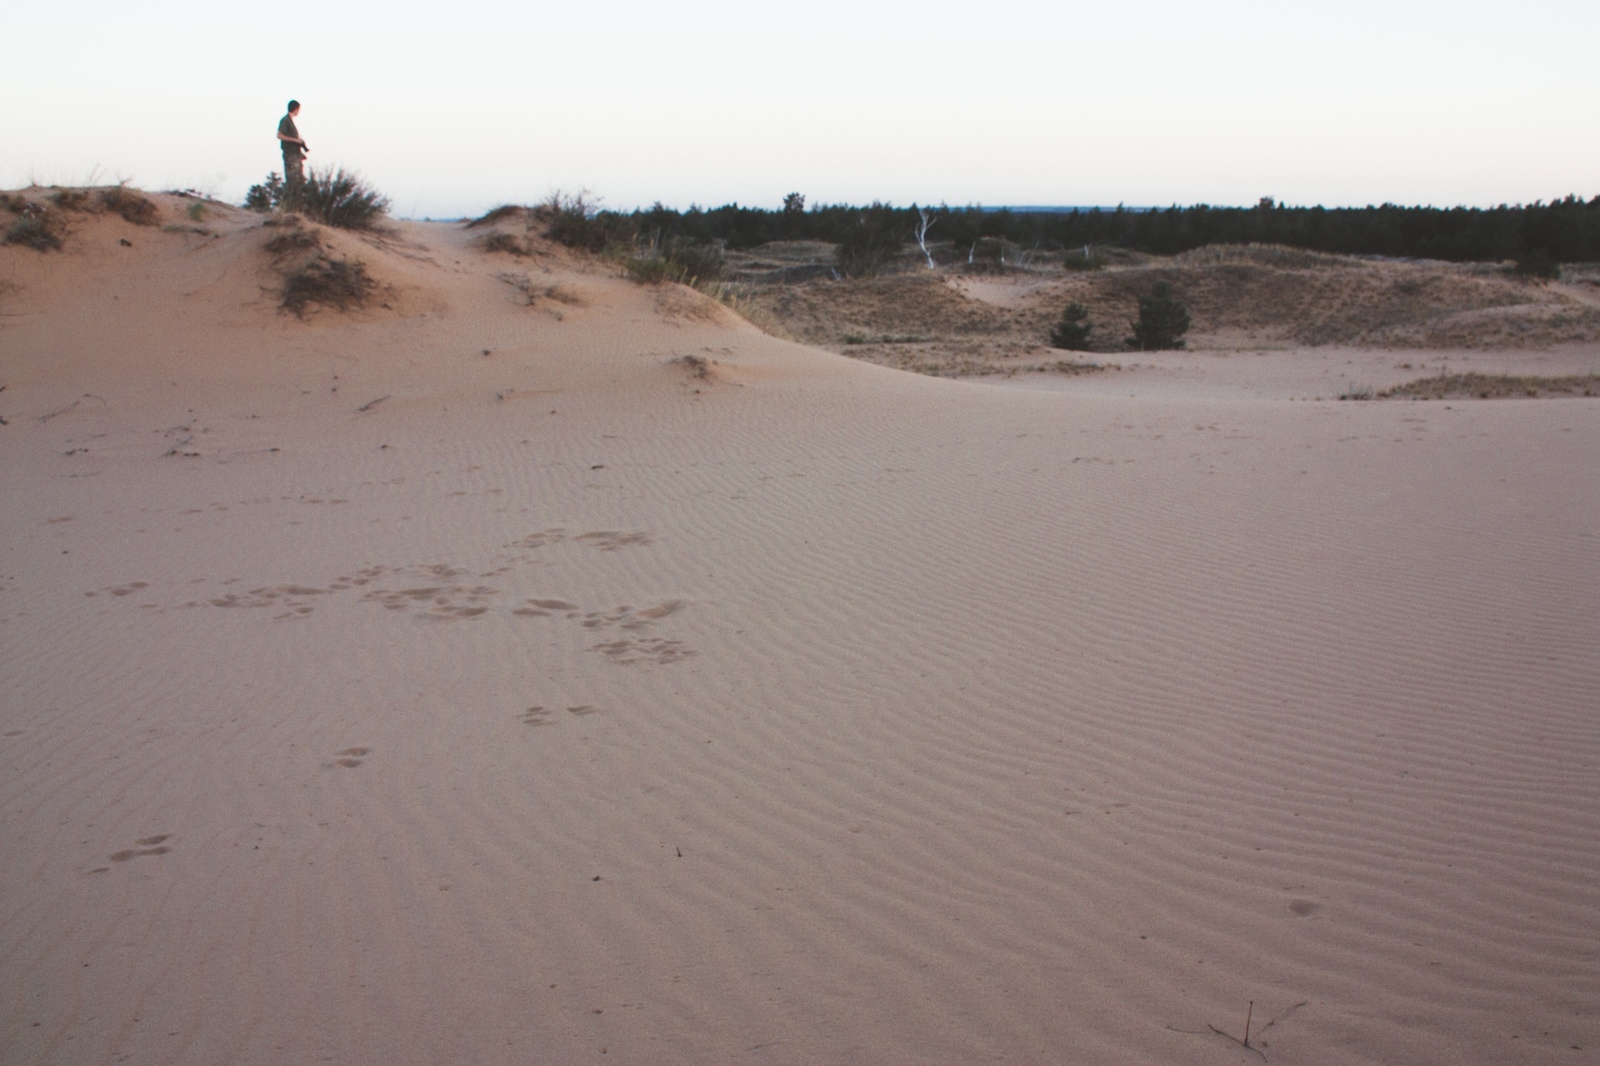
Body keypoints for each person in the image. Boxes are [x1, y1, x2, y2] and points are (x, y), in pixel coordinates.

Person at [277, 100, 309, 192]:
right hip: (290, 155)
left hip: (295, 155)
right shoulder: (285, 120)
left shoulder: (289, 121)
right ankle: (291, 202)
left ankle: (297, 203)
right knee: (293, 182)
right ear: (296, 109)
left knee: (300, 181)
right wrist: (295, 140)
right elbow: (279, 135)